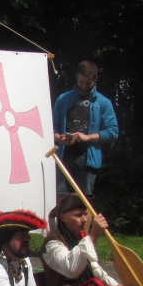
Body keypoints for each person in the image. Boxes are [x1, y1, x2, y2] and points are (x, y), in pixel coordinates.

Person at [52, 60, 118, 195]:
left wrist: (87, 138)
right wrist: (59, 138)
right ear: (76, 76)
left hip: (87, 161)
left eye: (88, 83)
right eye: (81, 82)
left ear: (95, 79)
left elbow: (113, 132)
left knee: (83, 202)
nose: (83, 86)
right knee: (61, 201)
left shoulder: (103, 102)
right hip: (63, 158)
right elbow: (51, 127)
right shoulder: (63, 99)